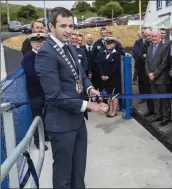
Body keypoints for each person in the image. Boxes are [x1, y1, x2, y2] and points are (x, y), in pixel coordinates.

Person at [34, 7, 109, 188]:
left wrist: (90, 88)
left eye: (71, 26)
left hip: (77, 120)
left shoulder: (69, 46)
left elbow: (80, 73)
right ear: (52, 27)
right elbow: (54, 96)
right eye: (63, 26)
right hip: (61, 125)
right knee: (63, 177)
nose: (68, 30)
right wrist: (88, 105)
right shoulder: (46, 53)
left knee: (78, 172)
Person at [21, 33, 49, 150]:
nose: (39, 43)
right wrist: (47, 77)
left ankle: (46, 136)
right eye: (36, 41)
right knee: (37, 117)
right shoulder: (28, 57)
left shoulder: (47, 56)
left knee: (47, 115)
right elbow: (33, 75)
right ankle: (38, 141)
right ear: (32, 43)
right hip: (36, 93)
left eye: (41, 41)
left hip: (47, 91)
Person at [145, 29, 170, 126]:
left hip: (161, 78)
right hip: (151, 78)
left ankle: (166, 117)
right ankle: (158, 115)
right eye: (152, 36)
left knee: (164, 99)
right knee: (156, 98)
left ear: (160, 37)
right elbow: (146, 61)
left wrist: (154, 74)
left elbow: (164, 63)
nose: (154, 38)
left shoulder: (164, 47)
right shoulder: (149, 47)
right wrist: (148, 74)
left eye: (156, 36)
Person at [98, 37, 122, 117]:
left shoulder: (116, 54)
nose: (108, 45)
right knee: (108, 95)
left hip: (114, 78)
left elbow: (116, 67)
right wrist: (102, 75)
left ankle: (114, 111)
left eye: (110, 43)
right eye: (107, 43)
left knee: (114, 95)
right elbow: (100, 65)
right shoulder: (104, 53)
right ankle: (110, 110)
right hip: (105, 79)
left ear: (113, 44)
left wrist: (108, 75)